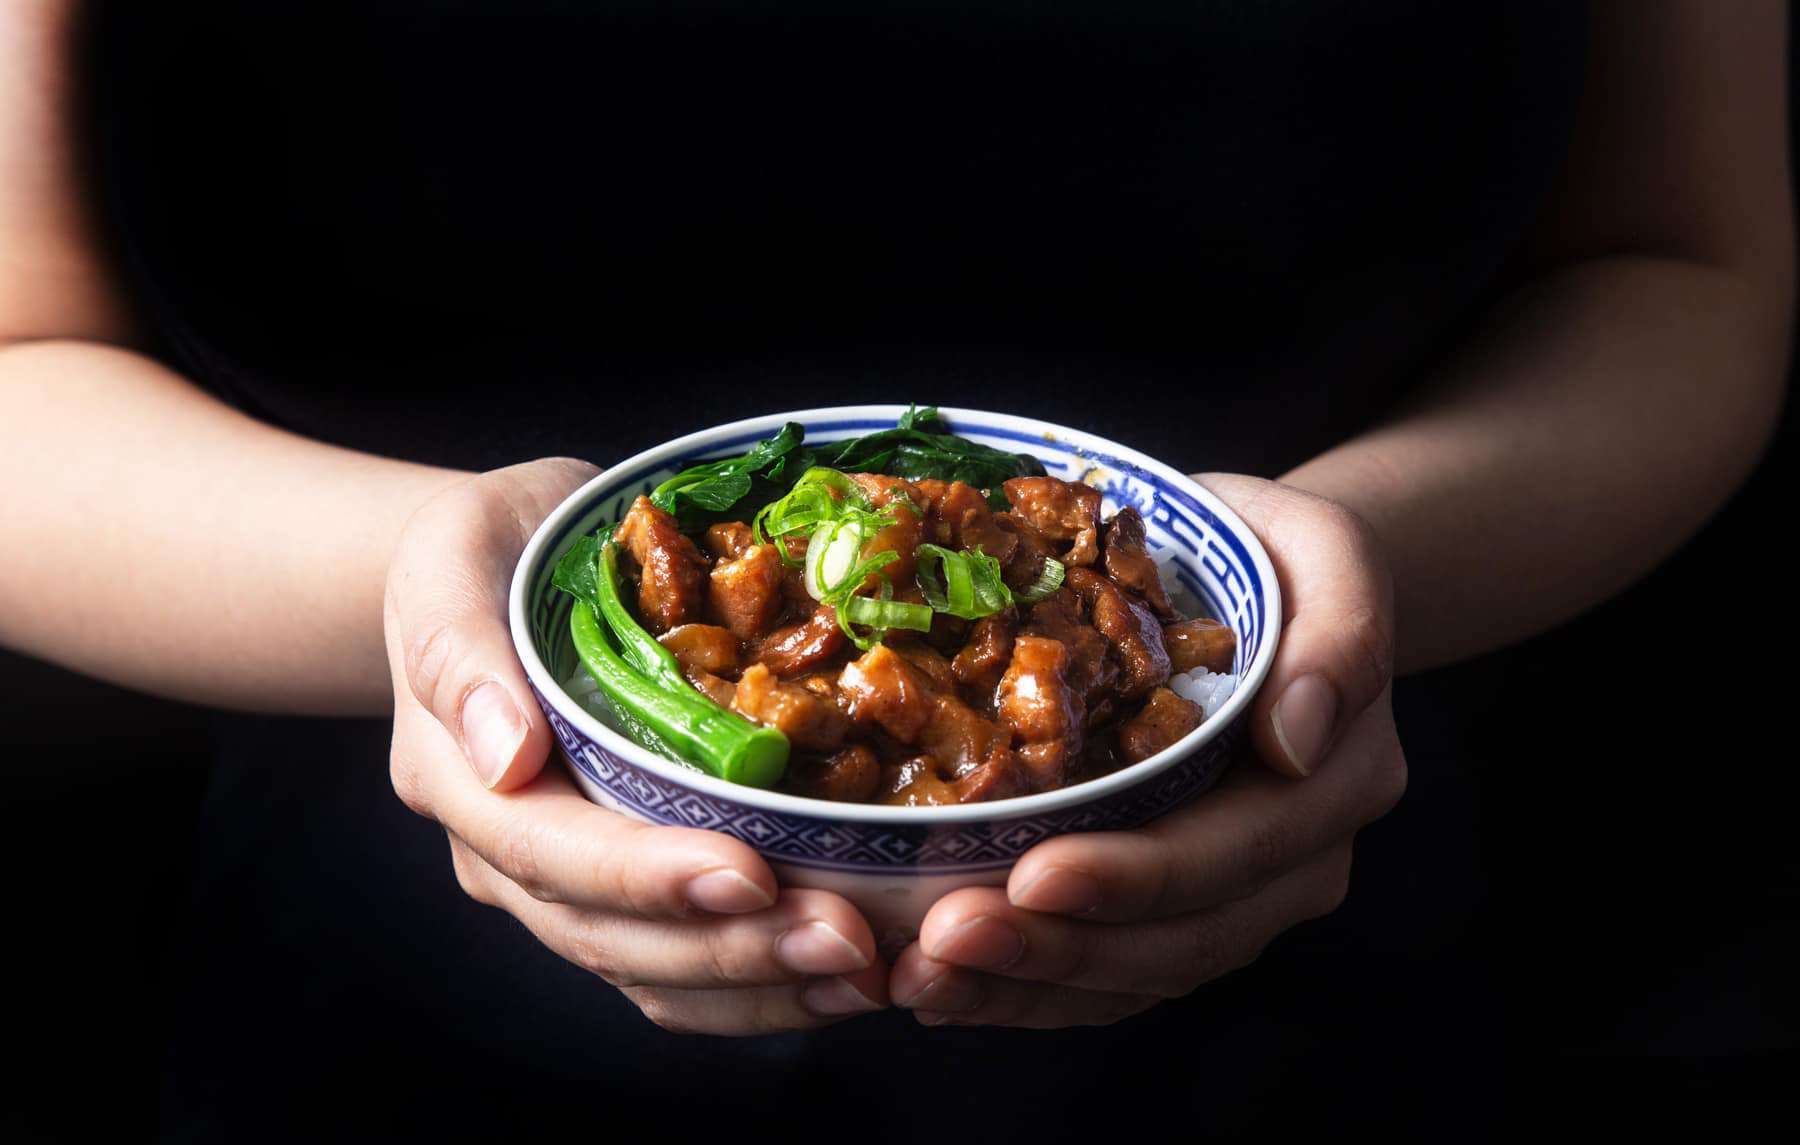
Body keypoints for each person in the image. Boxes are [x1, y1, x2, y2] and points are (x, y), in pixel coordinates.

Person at [0, 1, 1789, 1137]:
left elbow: (1672, 266)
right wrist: (432, 596)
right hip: (375, 1001)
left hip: (1354, 936)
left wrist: (1342, 576)